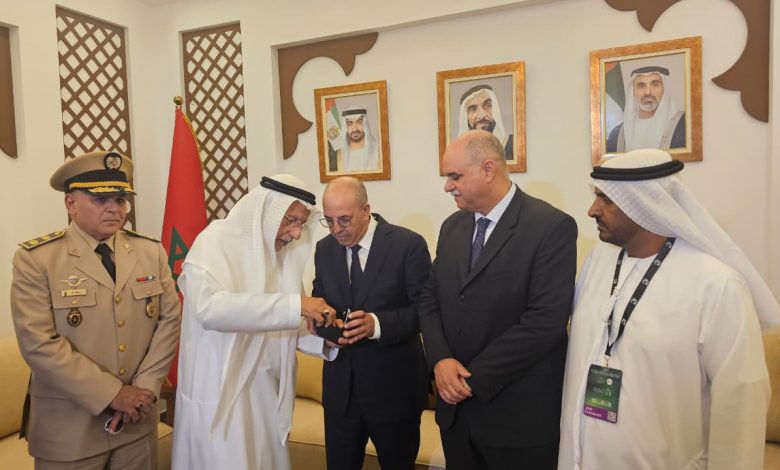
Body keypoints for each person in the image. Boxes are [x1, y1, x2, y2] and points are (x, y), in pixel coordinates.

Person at [558, 148, 780, 470]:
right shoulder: (598, 262)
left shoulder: (715, 285)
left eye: (607, 200)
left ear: (644, 203)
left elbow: (741, 405)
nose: (592, 210)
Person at [10, 150, 181, 468]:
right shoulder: (38, 259)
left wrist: (144, 390)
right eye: (100, 200)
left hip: (136, 422)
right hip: (70, 430)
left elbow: (169, 320)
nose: (115, 208)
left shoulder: (150, 251)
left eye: (121, 199)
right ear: (70, 203)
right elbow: (39, 344)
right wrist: (114, 394)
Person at [419, 130, 577, 469]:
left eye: (455, 176)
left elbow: (544, 323)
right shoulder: (452, 227)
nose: (447, 186)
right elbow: (430, 299)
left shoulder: (550, 227)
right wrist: (440, 360)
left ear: (488, 169)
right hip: (456, 417)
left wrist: (471, 379)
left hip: (517, 420)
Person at [171, 175, 339, 470]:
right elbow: (209, 308)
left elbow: (287, 322)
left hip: (266, 392)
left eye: (301, 224)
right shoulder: (215, 240)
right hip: (223, 392)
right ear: (266, 211)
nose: (296, 234)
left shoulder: (282, 256)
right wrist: (298, 305)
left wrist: (325, 339)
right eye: (291, 220)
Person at [312, 176, 431, 469]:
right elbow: (320, 302)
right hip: (341, 394)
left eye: (344, 220)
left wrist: (376, 325)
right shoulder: (324, 249)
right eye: (329, 221)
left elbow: (426, 311)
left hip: (395, 392)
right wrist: (325, 327)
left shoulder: (408, 245)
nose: (336, 229)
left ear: (366, 210)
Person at [606, 66, 686, 153]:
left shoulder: (683, 125)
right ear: (633, 92)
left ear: (664, 89)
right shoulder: (618, 135)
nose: (648, 92)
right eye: (641, 86)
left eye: (655, 85)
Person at [457, 84, 514, 160]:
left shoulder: (513, 144)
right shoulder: (460, 154)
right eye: (473, 109)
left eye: (488, 105)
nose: (482, 115)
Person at [329, 107, 380, 172]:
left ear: (365, 125)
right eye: (350, 124)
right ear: (345, 127)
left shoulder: (378, 152)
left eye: (359, 122)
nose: (355, 129)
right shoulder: (338, 156)